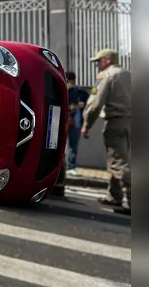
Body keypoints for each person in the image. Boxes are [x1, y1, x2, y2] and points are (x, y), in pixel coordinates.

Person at [81, 49, 131, 215]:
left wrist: (87, 124)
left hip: (116, 122)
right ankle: (114, 195)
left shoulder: (105, 76)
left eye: (99, 60)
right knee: (119, 158)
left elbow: (95, 103)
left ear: (108, 60)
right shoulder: (128, 74)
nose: (97, 64)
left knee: (118, 162)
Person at [65, 71, 89, 176]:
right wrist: (75, 105)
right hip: (66, 122)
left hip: (76, 122)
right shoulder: (64, 90)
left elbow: (88, 103)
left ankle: (71, 167)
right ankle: (63, 167)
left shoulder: (80, 92)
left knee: (73, 146)